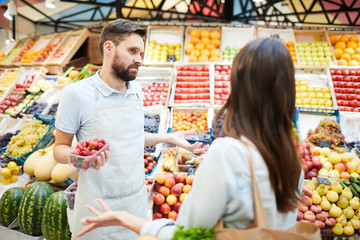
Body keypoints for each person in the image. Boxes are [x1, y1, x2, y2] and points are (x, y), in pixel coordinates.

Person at [75, 38, 304, 239]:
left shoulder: (228, 153)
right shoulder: (292, 161)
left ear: (240, 87)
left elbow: (186, 234)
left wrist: (129, 220)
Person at [53, 18, 203, 240]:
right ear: (109, 48)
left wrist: (168, 136)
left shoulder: (137, 91)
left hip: (135, 203)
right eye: (132, 51)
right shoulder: (77, 94)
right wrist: (78, 159)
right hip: (97, 208)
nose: (139, 60)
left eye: (141, 53)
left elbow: (130, 137)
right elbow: (59, 149)